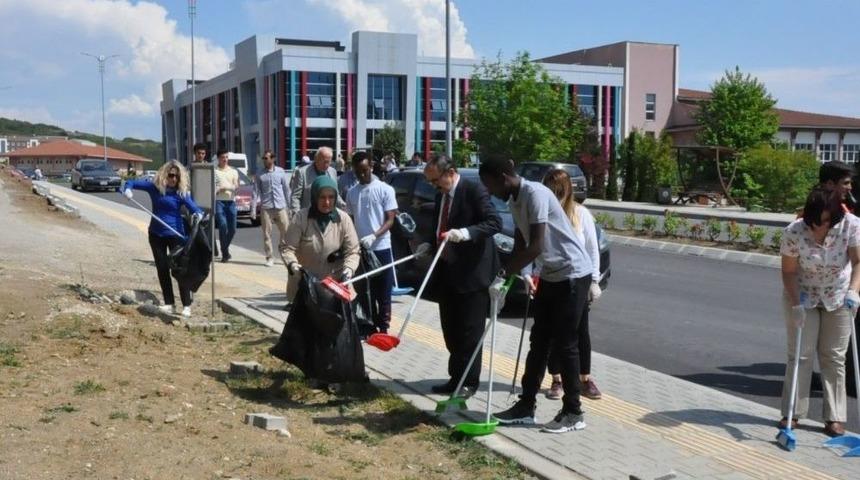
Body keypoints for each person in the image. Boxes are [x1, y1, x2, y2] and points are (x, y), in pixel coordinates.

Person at [479, 156, 593, 434]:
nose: (490, 192)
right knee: (539, 341)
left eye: (490, 185)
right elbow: (521, 244)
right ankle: (525, 406)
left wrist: (503, 275)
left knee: (566, 344)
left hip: (573, 275)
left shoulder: (536, 194)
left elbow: (536, 244)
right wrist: (514, 279)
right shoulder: (514, 201)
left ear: (503, 177)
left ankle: (573, 412)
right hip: (552, 275)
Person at [779, 186, 860, 437]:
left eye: (824, 222)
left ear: (835, 217)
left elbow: (858, 261)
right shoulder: (794, 231)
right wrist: (796, 304)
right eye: (813, 221)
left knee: (834, 357)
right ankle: (792, 413)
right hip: (803, 295)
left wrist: (854, 291)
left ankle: (834, 418)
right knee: (800, 355)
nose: (818, 228)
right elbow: (789, 272)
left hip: (839, 295)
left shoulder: (851, 225)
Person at [424, 154, 502, 397]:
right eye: (431, 183)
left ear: (450, 172)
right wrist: (430, 245)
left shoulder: (473, 190)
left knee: (470, 332)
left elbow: (494, 222)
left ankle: (468, 382)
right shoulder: (441, 196)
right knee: (451, 331)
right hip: (447, 272)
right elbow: (439, 227)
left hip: (472, 273)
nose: (434, 186)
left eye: (436, 181)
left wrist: (465, 233)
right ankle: (455, 378)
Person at [541, 169, 603, 401]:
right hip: (551, 279)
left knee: (579, 331)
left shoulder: (580, 214)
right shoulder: (543, 212)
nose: (555, 194)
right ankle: (557, 379)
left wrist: (594, 280)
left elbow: (591, 249)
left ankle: (584, 378)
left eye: (558, 190)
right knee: (554, 332)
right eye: (550, 189)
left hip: (578, 281)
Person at [122, 160, 204, 317]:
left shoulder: (181, 193)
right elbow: (130, 182)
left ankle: (186, 305)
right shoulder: (154, 188)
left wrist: (198, 214)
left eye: (177, 177)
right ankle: (169, 303)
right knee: (162, 268)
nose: (174, 179)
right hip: (156, 234)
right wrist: (128, 190)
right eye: (171, 175)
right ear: (164, 175)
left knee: (179, 269)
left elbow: (194, 207)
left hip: (176, 235)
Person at [282, 175, 360, 301]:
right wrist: (293, 266)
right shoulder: (300, 218)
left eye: (331, 197)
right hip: (304, 287)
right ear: (314, 197)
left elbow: (353, 251)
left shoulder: (343, 219)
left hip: (335, 287)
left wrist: (349, 269)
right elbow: (287, 248)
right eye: (322, 197)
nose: (327, 202)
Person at [346, 151, 398, 333]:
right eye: (357, 172)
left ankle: (383, 328)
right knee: (364, 290)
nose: (361, 175)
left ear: (372, 167)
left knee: (383, 291)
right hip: (361, 249)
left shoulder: (385, 189)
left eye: (364, 171)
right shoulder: (352, 193)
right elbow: (350, 221)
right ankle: (368, 326)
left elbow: (390, 219)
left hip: (381, 246)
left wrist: (374, 235)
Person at [252, 149, 291, 267]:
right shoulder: (259, 174)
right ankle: (269, 257)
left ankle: (284, 253)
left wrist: (289, 207)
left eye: (266, 158)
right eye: (263, 158)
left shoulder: (280, 172)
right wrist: (253, 209)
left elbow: (286, 189)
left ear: (272, 159)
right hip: (266, 207)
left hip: (280, 206)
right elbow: (255, 193)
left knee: (286, 232)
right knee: (267, 234)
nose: (264, 160)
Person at [289, 146, 344, 216]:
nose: (326, 165)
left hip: (328, 215)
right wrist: (297, 215)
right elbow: (295, 197)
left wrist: (343, 206)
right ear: (316, 159)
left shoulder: (333, 172)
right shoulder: (302, 172)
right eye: (324, 162)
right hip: (309, 216)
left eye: (329, 162)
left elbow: (336, 193)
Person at [214, 148, 239, 262]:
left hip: (231, 202)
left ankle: (224, 248)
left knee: (232, 229)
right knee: (223, 226)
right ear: (218, 158)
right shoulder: (214, 171)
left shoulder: (234, 171)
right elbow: (212, 186)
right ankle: (225, 254)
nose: (225, 159)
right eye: (222, 157)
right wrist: (216, 189)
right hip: (219, 202)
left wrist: (225, 187)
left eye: (226, 157)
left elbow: (236, 187)